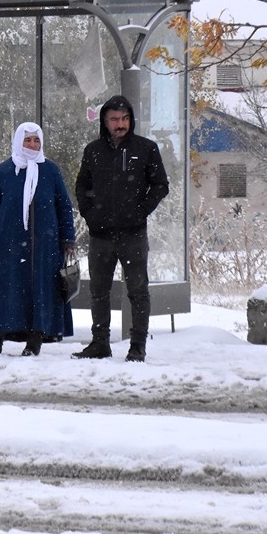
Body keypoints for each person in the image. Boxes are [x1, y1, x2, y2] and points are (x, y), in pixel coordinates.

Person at [73, 94, 169, 363]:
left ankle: (137, 345)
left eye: (125, 118)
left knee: (138, 290)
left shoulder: (146, 148)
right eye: (114, 119)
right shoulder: (93, 151)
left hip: (133, 233)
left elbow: (160, 185)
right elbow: (82, 186)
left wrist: (139, 211)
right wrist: (90, 214)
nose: (120, 124)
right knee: (99, 290)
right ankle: (100, 342)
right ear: (105, 121)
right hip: (100, 234)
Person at [0, 122, 76, 357]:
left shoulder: (50, 170)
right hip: (6, 243)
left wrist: (68, 238)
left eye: (36, 140)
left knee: (38, 290)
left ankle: (35, 338)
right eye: (27, 140)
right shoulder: (6, 170)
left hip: (43, 245)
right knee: (3, 289)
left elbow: (63, 205)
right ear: (19, 141)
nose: (31, 144)